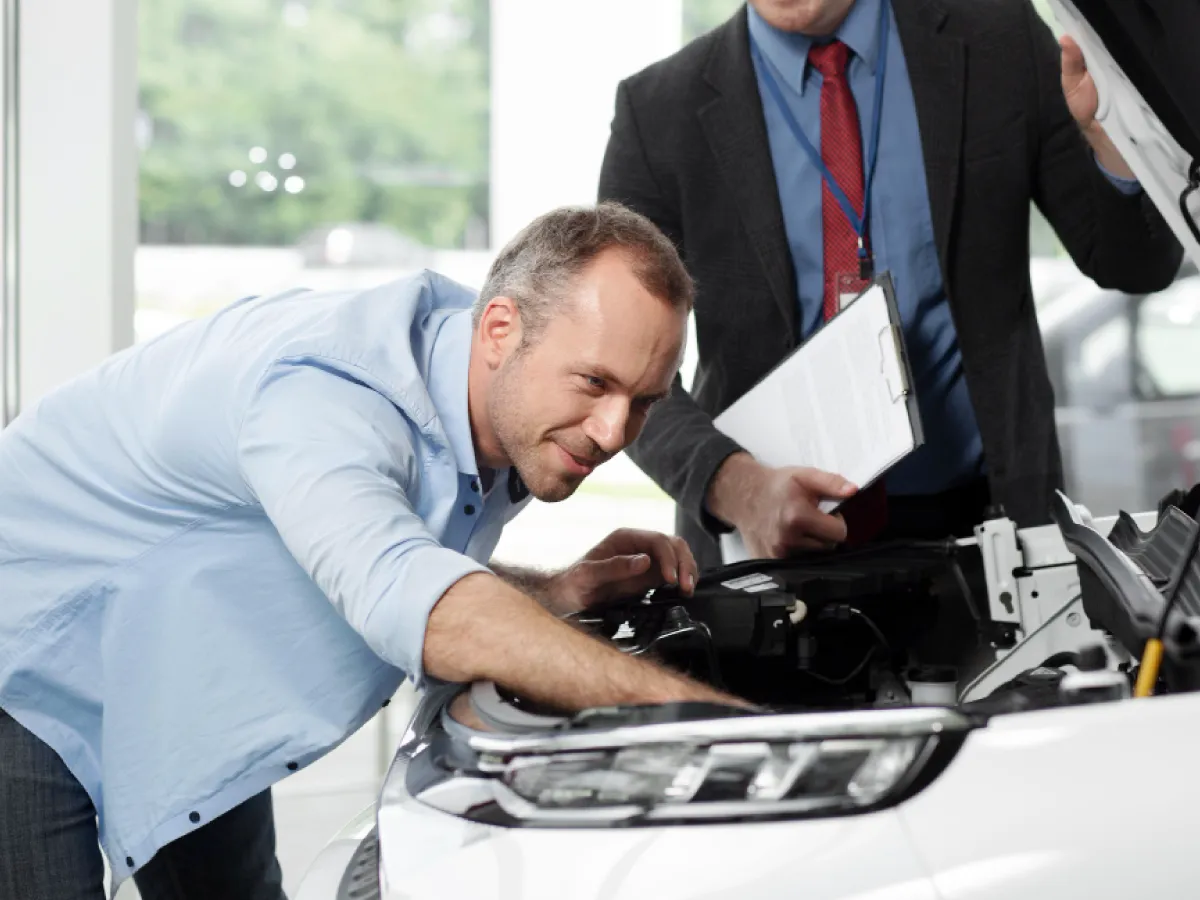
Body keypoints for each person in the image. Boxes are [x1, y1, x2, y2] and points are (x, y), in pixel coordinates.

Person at [0, 202, 743, 900]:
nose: (614, 432)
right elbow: (415, 601)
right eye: (594, 383)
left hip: (178, 671)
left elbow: (390, 553)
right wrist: (725, 730)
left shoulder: (500, 393)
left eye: (644, 400)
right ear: (499, 329)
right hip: (31, 656)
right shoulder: (325, 394)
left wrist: (555, 593)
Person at [598, 0, 1184, 568]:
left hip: (991, 521)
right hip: (764, 542)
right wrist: (738, 486)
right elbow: (617, 372)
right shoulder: (657, 112)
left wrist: (1112, 135)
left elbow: (1135, 265)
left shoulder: (998, 39)